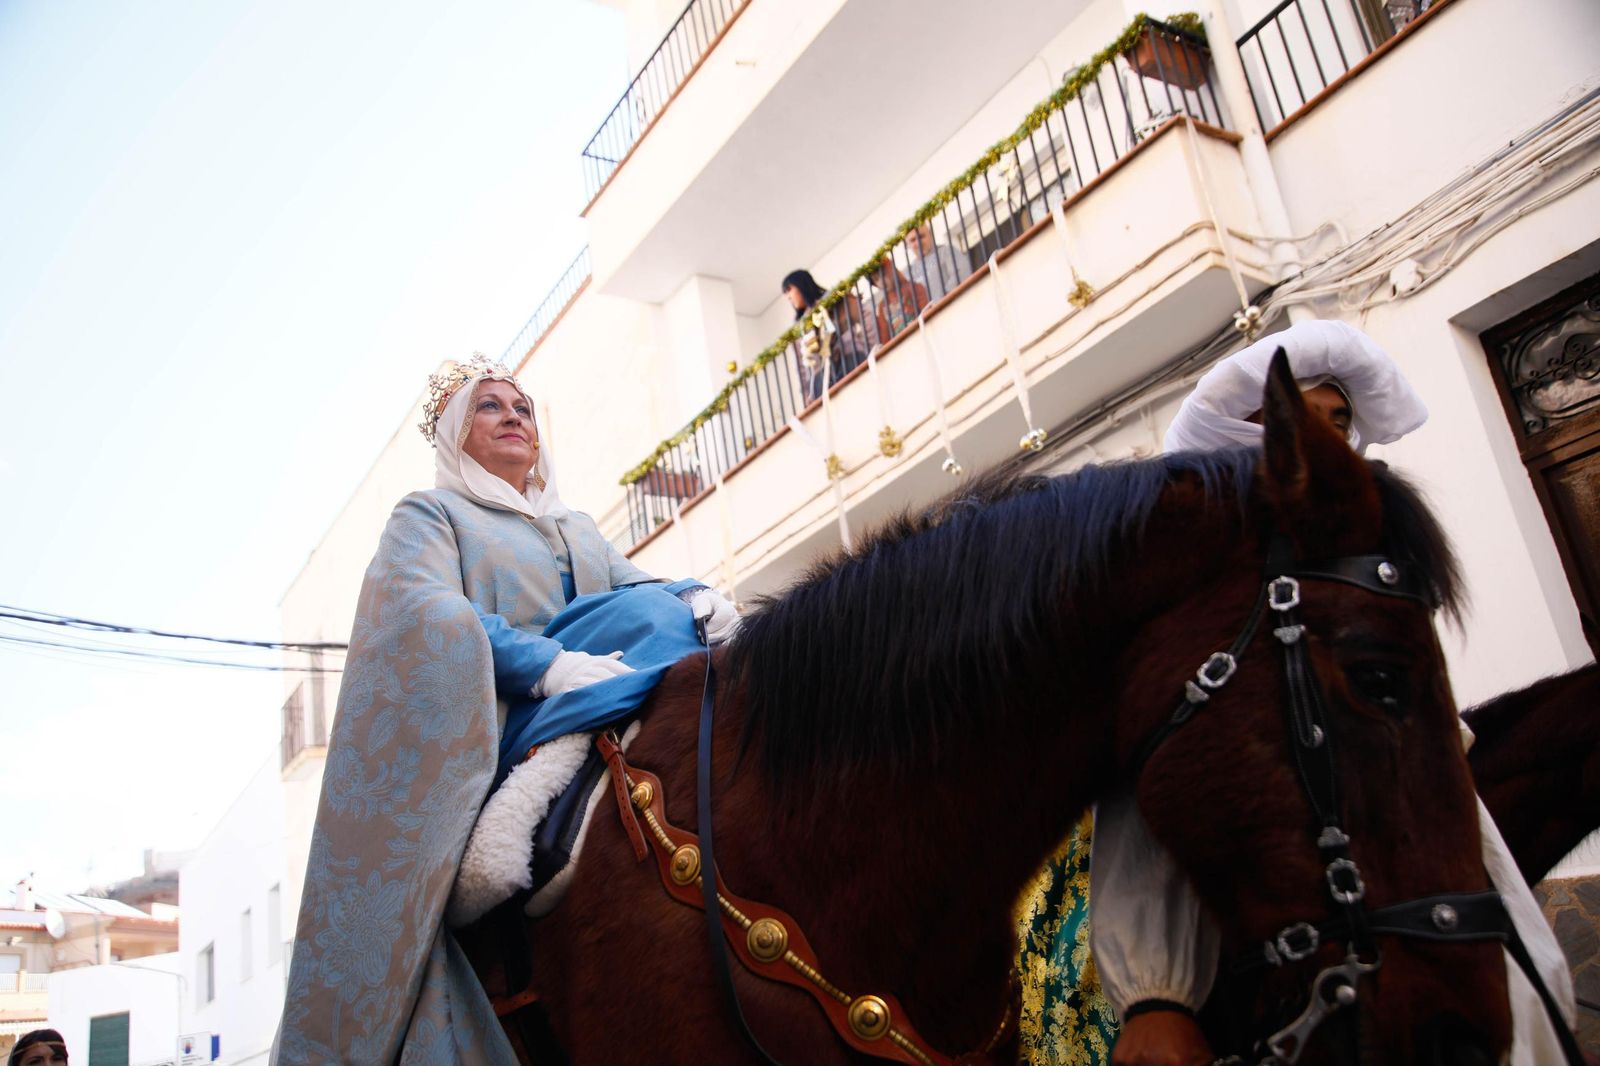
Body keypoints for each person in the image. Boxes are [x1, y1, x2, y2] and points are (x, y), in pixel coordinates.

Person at [1079, 320, 1576, 1065]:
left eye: (1338, 420)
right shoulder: (1192, 570)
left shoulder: (1365, 555)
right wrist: (1157, 993)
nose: (1326, 439)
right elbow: (1142, 786)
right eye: (1298, 420)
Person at [273, 356, 737, 1065]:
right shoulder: (431, 514)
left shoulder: (576, 526)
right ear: (458, 437)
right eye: (490, 408)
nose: (515, 417)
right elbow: (423, 611)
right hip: (504, 712)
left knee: (653, 609)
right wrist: (545, 665)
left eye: (523, 408)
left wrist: (696, 595)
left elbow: (637, 589)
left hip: (607, 674)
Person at [782, 269, 877, 402]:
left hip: (850, 358)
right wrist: (807, 396)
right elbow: (802, 369)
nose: (788, 297)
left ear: (801, 284)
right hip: (822, 376)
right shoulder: (799, 328)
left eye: (789, 289)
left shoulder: (833, 300)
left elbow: (865, 316)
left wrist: (871, 349)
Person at [904, 221, 972, 305]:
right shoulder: (908, 272)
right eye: (913, 240)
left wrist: (940, 301)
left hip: (955, 305)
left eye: (921, 236)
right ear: (908, 245)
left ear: (930, 235)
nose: (918, 243)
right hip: (930, 316)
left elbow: (962, 274)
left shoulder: (946, 251)